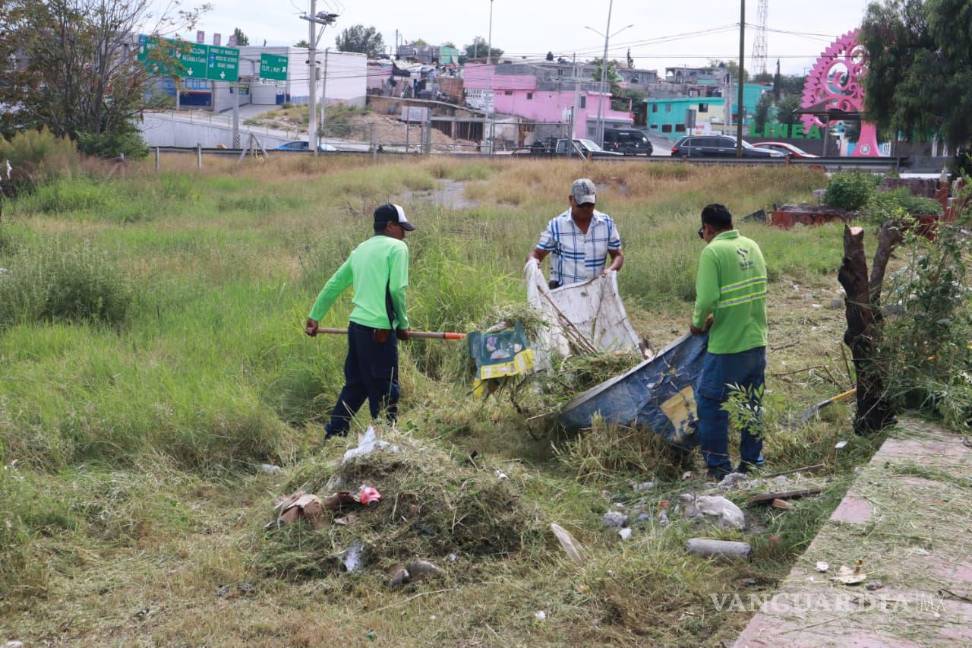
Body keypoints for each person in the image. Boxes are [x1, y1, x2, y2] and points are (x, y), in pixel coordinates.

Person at [305, 204, 414, 439]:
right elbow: (397, 289)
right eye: (402, 228)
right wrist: (403, 325)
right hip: (379, 331)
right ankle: (385, 441)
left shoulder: (361, 250)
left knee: (356, 386)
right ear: (390, 226)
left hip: (356, 329)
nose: (404, 234)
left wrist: (315, 316)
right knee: (385, 389)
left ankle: (334, 435)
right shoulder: (397, 248)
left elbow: (335, 283)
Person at [690, 204, 768, 479]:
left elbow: (707, 299)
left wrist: (698, 323)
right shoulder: (752, 246)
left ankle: (719, 468)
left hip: (727, 345)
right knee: (750, 402)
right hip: (756, 341)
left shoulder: (712, 252)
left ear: (708, 229)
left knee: (710, 402)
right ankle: (752, 461)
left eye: (702, 232)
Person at [529, 178, 624, 289]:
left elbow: (617, 255)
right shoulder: (557, 225)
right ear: (571, 200)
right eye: (581, 205)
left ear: (595, 199)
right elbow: (537, 254)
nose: (585, 209)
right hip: (564, 293)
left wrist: (610, 270)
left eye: (589, 204)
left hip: (596, 292)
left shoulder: (606, 224)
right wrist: (532, 264)